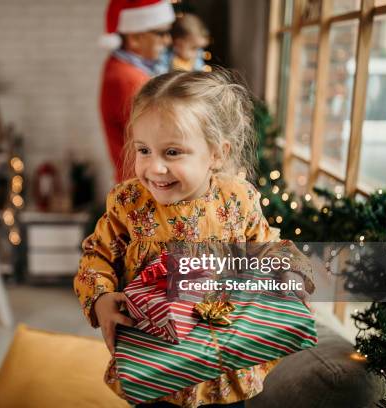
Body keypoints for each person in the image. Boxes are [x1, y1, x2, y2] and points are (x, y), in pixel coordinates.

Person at [75, 70, 315, 407]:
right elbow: (96, 256)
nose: (154, 167)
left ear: (216, 154)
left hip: (224, 357)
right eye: (144, 150)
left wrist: (289, 275)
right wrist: (100, 299)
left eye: (172, 152)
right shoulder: (129, 202)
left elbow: (269, 249)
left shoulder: (238, 198)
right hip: (156, 355)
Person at [99, 0, 175, 183]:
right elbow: (163, 134)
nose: (168, 40)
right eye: (161, 33)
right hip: (144, 186)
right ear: (134, 38)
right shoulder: (129, 80)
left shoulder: (129, 70)